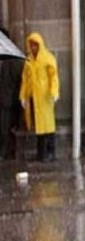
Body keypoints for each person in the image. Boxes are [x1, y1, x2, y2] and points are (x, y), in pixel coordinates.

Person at [19, 32, 59, 162]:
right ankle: (41, 153)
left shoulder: (48, 58)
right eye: (31, 45)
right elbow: (25, 80)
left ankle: (51, 152)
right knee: (38, 127)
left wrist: (54, 92)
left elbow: (54, 77)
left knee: (48, 127)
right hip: (34, 98)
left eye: (35, 45)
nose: (33, 48)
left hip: (45, 97)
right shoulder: (28, 61)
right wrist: (23, 96)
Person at [0, 27, 24, 160]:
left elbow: (18, 80)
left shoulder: (14, 60)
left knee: (5, 128)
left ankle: (5, 153)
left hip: (7, 100)